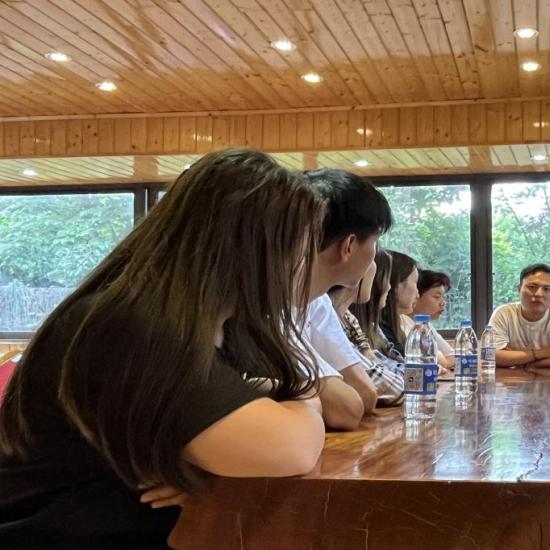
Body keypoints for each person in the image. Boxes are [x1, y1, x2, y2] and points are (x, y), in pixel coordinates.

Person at [0, 150, 327, 549]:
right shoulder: (134, 326)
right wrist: (306, 398)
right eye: (303, 250)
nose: (305, 267)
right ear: (255, 251)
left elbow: (253, 431)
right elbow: (291, 448)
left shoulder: (215, 325)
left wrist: (210, 465)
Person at [299, 168, 395, 428]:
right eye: (374, 243)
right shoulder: (274, 303)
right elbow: (347, 408)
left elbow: (365, 394)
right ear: (349, 246)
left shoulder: (318, 302)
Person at [327, 263, 404, 408]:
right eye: (386, 279)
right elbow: (395, 389)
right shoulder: (326, 315)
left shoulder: (349, 318)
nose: (389, 287)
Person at [489, 264, 550, 368]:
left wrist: (523, 363)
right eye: (532, 287)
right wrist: (542, 353)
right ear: (519, 289)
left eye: (546, 289)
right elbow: (493, 356)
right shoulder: (503, 313)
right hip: (511, 378)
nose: (539, 294)